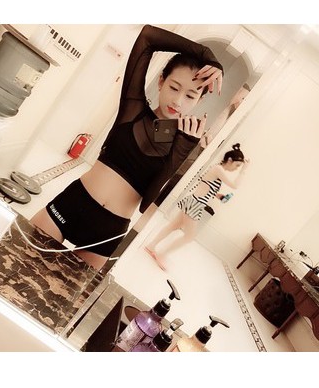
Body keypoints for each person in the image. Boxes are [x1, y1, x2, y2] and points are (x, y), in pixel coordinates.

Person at [30, 24, 224, 270]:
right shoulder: (133, 108)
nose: (177, 100)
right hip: (72, 204)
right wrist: (207, 54)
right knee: (14, 265)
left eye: (190, 96)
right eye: (174, 88)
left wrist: (183, 148)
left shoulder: (182, 142)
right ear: (161, 81)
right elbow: (147, 37)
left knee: (58, 293)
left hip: (107, 233)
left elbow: (147, 202)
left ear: (200, 100)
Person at [144, 143, 249, 270]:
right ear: (230, 160)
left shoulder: (217, 169)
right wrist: (244, 170)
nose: (236, 169)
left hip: (194, 201)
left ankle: (152, 245)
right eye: (237, 165)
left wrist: (218, 196)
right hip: (196, 204)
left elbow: (206, 185)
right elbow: (235, 185)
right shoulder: (218, 169)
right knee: (189, 236)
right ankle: (162, 254)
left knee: (173, 226)